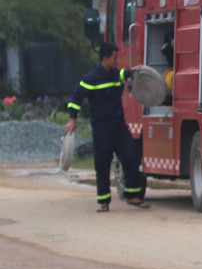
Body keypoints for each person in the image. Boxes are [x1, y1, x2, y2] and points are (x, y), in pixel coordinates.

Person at [64, 42, 149, 212]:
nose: (117, 61)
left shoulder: (115, 75)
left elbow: (123, 74)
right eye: (115, 58)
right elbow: (75, 98)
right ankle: (104, 201)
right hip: (102, 129)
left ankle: (132, 195)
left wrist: (133, 70)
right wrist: (72, 119)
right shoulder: (90, 79)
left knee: (132, 157)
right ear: (105, 58)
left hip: (119, 126)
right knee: (102, 165)